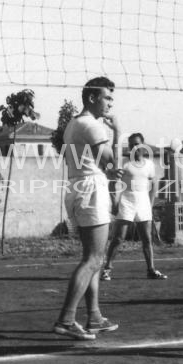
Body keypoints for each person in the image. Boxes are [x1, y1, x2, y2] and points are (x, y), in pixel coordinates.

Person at [53, 77, 120, 340]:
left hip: (77, 186)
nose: (110, 104)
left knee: (93, 258)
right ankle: (66, 319)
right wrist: (118, 133)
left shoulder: (74, 123)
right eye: (107, 98)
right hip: (91, 189)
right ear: (92, 98)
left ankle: (94, 316)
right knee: (93, 259)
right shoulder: (92, 126)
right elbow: (111, 161)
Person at [101, 132, 167, 281]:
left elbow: (153, 184)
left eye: (137, 144)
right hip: (127, 201)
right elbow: (113, 183)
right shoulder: (124, 163)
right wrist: (115, 203)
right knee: (118, 238)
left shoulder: (149, 164)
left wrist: (150, 204)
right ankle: (107, 269)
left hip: (143, 201)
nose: (134, 147)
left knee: (147, 239)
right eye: (131, 145)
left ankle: (151, 270)